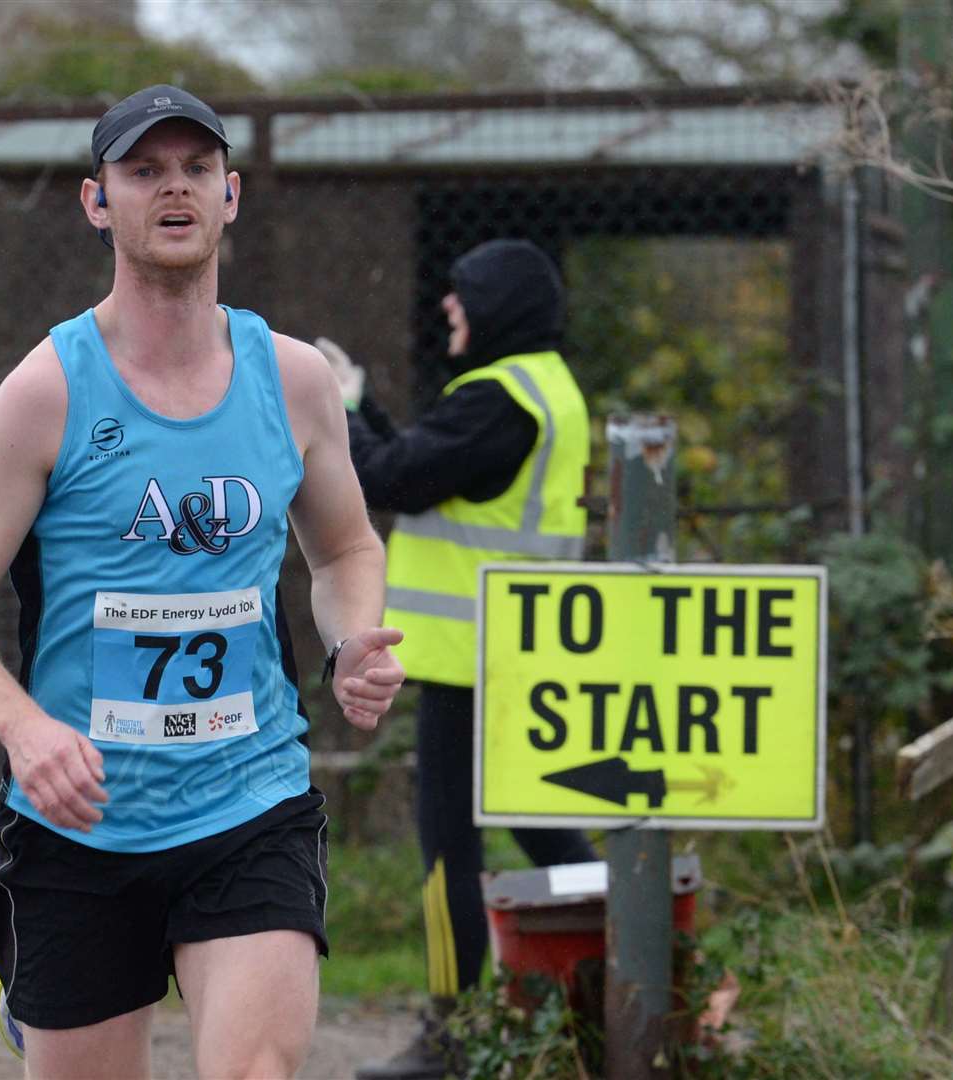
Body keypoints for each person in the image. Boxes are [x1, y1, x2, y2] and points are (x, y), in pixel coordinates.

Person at [0, 84, 405, 1080]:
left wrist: (352, 640)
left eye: (195, 170)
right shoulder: (47, 390)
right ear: (98, 202)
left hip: (248, 798)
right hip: (80, 824)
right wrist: (26, 729)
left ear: (231, 196)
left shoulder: (295, 381)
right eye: (143, 172)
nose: (172, 189)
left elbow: (344, 551)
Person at [325, 239, 597, 1080]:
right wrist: (364, 404)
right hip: (516, 654)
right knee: (543, 825)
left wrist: (335, 409)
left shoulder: (495, 400)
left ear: (498, 306)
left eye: (463, 293)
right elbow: (421, 471)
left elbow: (395, 479)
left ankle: (453, 1033)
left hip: (468, 661)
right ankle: (624, 981)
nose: (449, 307)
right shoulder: (545, 389)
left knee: (450, 847)